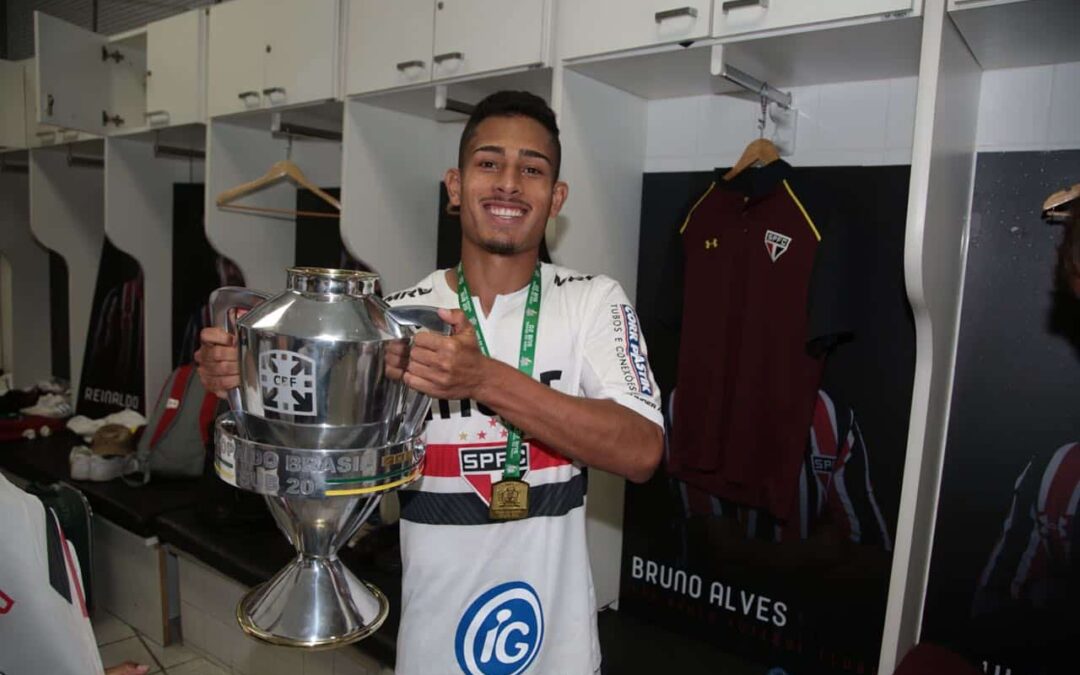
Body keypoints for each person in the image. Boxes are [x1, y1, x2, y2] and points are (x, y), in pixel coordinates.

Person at [196, 91, 665, 674]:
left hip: (559, 651)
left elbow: (642, 451)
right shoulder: (393, 320)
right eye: (489, 163)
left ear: (556, 197)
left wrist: (485, 378)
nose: (509, 184)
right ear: (454, 185)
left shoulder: (593, 301)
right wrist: (251, 387)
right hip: (431, 647)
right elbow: (331, 469)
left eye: (533, 169)